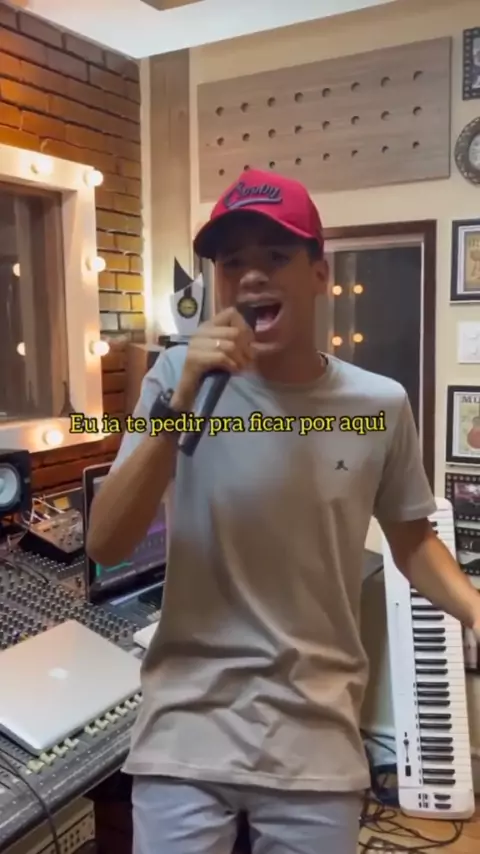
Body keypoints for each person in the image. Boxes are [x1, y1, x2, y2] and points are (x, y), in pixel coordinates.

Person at [87, 168, 480, 854]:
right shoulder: (173, 382)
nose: (251, 277)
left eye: (275, 257)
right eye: (231, 262)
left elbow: (413, 540)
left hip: (315, 732)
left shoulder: (377, 406)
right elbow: (106, 543)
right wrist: (180, 400)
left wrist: (476, 609)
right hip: (187, 727)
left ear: (319, 274)